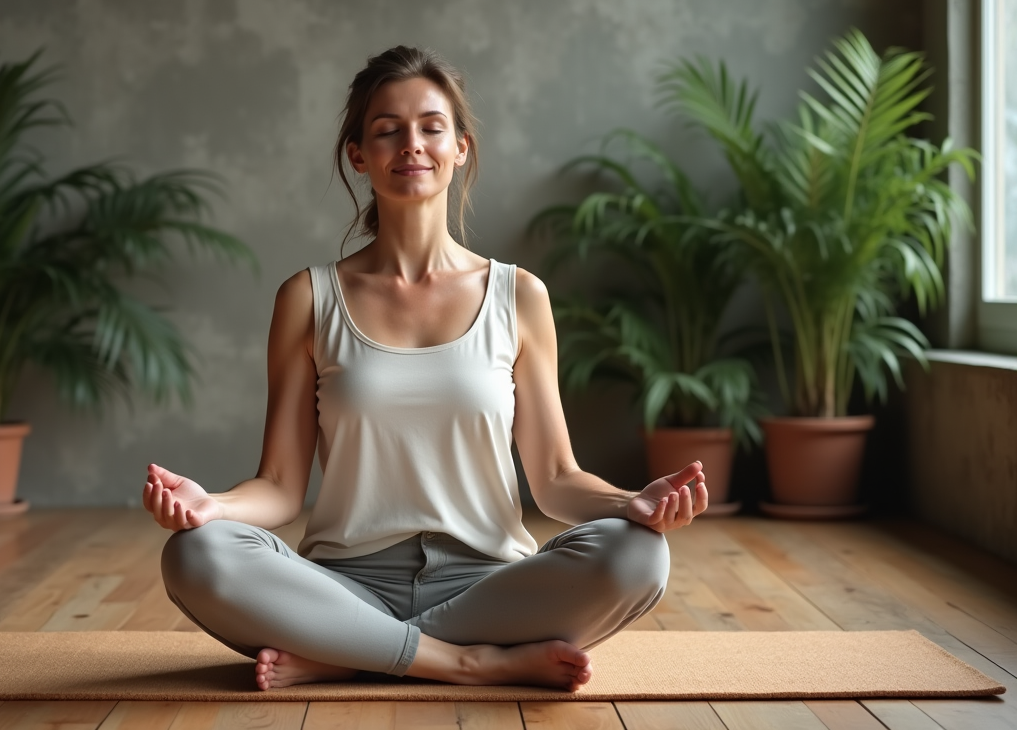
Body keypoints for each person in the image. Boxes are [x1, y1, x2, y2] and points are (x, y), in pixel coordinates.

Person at [142, 45, 707, 693]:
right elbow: (279, 485)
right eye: (387, 130)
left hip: (488, 583)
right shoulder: (307, 298)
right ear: (359, 154)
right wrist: (209, 507)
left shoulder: (519, 296)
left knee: (638, 554)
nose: (412, 144)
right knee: (197, 554)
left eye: (432, 127)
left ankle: (353, 653)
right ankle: (468, 662)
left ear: (460, 148)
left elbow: (554, 479)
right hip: (343, 581)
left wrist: (630, 502)